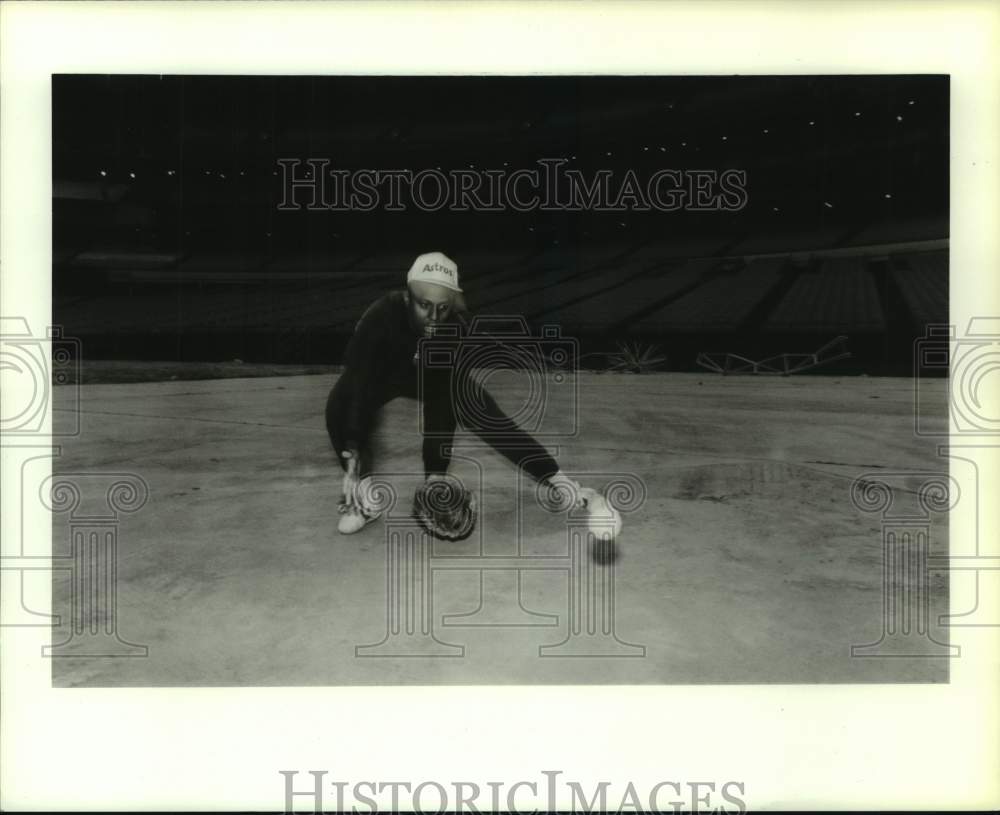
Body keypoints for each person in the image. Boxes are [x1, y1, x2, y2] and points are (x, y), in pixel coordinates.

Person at [325, 250, 596, 534]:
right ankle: (365, 497)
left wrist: (435, 476)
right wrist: (354, 448)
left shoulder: (456, 327)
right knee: (340, 402)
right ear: (407, 297)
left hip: (432, 378)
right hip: (381, 376)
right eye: (424, 304)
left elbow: (442, 402)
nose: (433, 316)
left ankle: (560, 481)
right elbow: (359, 380)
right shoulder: (381, 315)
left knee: (480, 410)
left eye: (442, 307)